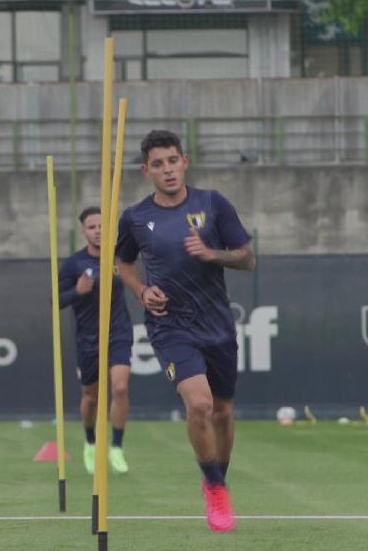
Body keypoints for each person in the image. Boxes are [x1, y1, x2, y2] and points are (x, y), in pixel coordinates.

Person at [115, 130, 255, 532]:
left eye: (172, 160)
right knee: (199, 405)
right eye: (158, 164)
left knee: (224, 413)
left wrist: (212, 253)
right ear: (147, 171)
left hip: (217, 325)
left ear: (185, 161)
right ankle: (214, 488)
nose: (167, 170)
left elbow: (248, 259)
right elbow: (123, 263)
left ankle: (218, 478)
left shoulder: (213, 204)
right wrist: (142, 290)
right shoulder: (136, 217)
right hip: (170, 325)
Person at [58, 206, 134, 475]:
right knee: (90, 398)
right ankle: (90, 442)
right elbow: (56, 301)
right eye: (92, 227)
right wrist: (77, 292)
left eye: (102, 226)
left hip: (118, 332)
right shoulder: (73, 264)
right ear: (84, 232)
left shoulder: (119, 257)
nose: (98, 231)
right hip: (88, 338)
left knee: (120, 387)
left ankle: (116, 447)